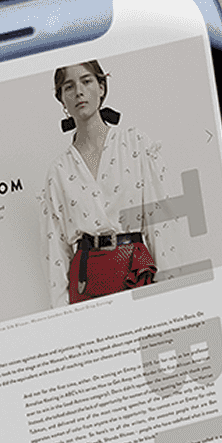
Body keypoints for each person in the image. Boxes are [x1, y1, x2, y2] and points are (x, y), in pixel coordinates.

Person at [38, 60, 182, 307]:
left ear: (101, 86)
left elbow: (161, 226)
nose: (79, 92)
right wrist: (61, 318)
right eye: (69, 87)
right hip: (85, 284)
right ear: (62, 100)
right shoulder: (58, 171)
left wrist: (171, 296)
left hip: (134, 273)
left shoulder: (136, 144)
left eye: (86, 81)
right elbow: (56, 253)